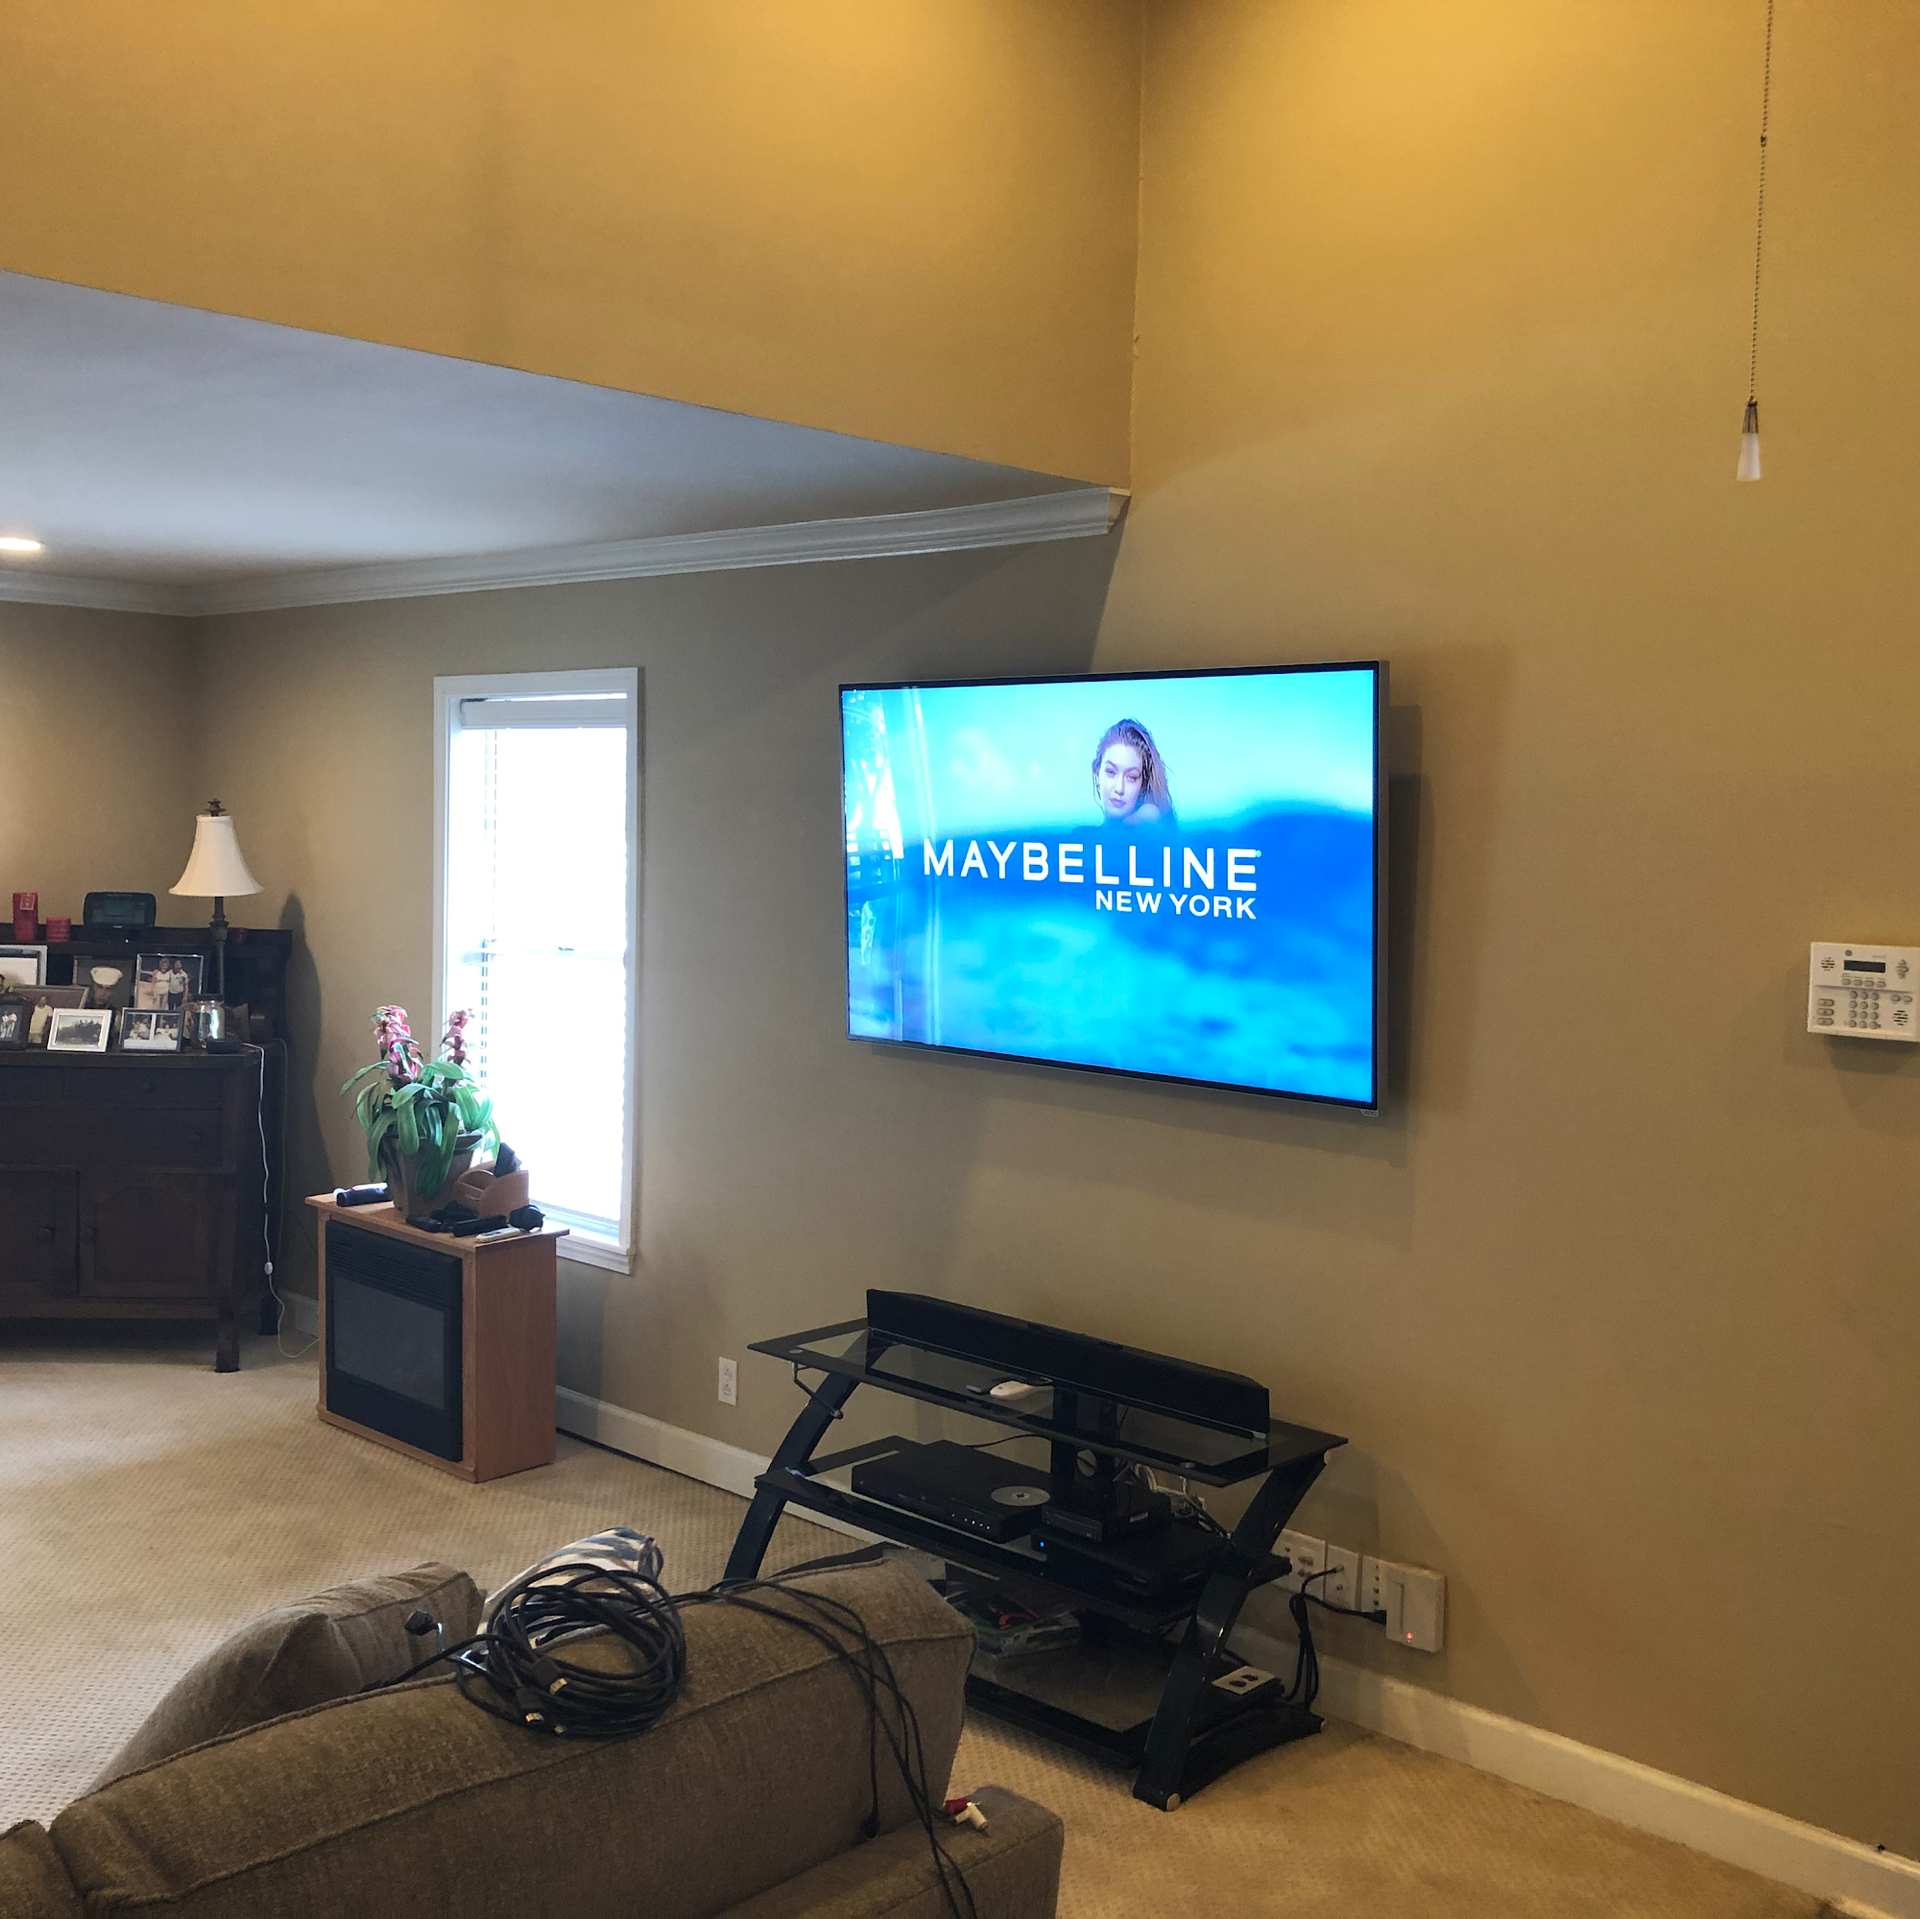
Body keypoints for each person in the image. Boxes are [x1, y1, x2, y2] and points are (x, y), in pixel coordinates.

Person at [1090, 718, 1175, 827]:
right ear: (1097, 775)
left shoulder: (1153, 832)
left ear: (1142, 786)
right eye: (1111, 772)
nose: (1119, 789)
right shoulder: (1080, 838)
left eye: (1131, 777)